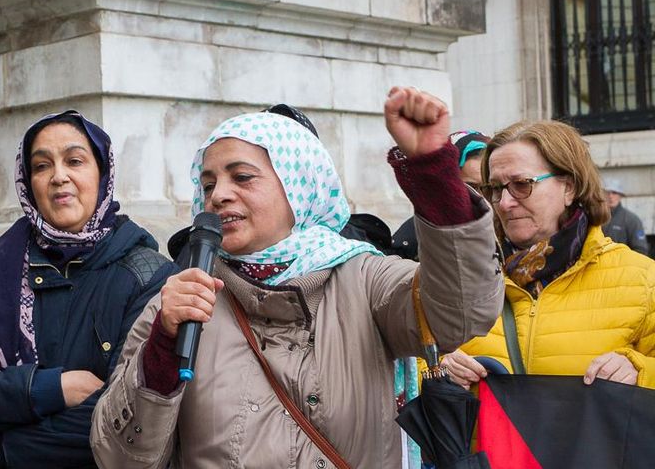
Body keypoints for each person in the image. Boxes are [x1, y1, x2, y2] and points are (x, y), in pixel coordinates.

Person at [90, 87, 504, 468]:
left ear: (298, 185)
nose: (218, 195)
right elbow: (117, 456)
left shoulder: (364, 278)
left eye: (242, 177)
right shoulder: (182, 301)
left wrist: (433, 173)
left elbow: (462, 313)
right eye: (209, 182)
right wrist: (163, 347)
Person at [0, 111, 178, 468]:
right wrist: (50, 389)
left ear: (102, 173)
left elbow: (129, 420)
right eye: (42, 166)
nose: (58, 177)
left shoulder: (148, 276)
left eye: (74, 161)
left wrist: (0, 448)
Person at [441, 120, 655, 390]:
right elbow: (414, 361)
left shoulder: (642, 279)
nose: (504, 203)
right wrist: (439, 368)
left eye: (522, 184)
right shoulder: (462, 279)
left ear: (570, 187)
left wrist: (639, 370)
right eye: (495, 188)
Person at [392, 130, 491, 260]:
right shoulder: (414, 239)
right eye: (471, 188)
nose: (482, 197)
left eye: (488, 188)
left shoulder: (505, 230)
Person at [602, 178, 649, 255]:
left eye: (614, 193)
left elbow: (641, 250)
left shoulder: (632, 220)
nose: (610, 196)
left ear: (620, 196)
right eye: (607, 193)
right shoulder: (597, 219)